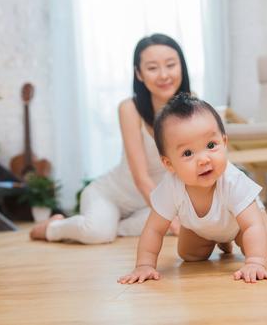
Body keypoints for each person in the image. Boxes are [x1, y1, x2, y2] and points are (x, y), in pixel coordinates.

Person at [29, 33, 189, 243]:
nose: (164, 75)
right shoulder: (129, 109)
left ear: (181, 67)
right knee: (98, 234)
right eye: (152, 68)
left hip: (148, 204)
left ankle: (114, 226)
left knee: (181, 220)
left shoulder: (191, 107)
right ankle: (54, 227)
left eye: (170, 65)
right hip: (112, 195)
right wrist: (171, 221)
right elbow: (141, 178)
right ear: (139, 74)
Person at [118, 93, 267, 284]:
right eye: (187, 153)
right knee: (188, 255)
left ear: (224, 142)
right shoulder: (171, 187)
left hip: (240, 223)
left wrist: (255, 262)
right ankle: (215, 238)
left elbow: (252, 225)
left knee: (266, 248)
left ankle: (229, 238)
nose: (203, 160)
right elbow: (154, 230)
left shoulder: (233, 181)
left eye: (211, 145)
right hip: (200, 227)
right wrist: (144, 265)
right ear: (169, 164)